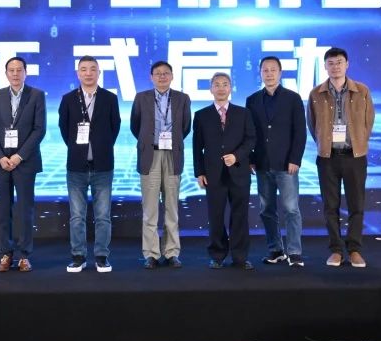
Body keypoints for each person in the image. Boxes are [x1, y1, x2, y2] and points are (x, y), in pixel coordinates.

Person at [307, 47, 375, 268]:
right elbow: (312, 124)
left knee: (356, 205)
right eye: (331, 63)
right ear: (325, 66)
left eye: (339, 62)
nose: (335, 67)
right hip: (328, 157)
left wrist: (358, 142)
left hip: (355, 156)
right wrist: (324, 144)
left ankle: (354, 250)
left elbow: (368, 122)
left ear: (347, 65)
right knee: (330, 206)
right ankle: (336, 250)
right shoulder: (316, 93)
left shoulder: (362, 91)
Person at [58, 55, 121, 273]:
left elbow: (115, 127)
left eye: (93, 69)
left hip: (103, 165)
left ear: (99, 72)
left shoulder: (109, 98)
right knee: (77, 216)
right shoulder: (68, 99)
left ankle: (102, 256)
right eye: (83, 69)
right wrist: (79, 149)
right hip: (76, 165)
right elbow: (64, 128)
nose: (88, 73)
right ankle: (78, 256)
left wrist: (102, 146)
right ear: (78, 73)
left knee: (103, 216)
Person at [246, 56, 308, 267]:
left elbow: (300, 132)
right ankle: (276, 250)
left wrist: (295, 159)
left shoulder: (293, 98)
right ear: (260, 73)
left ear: (280, 73)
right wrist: (251, 159)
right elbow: (249, 132)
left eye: (273, 70)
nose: (269, 73)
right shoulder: (252, 100)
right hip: (262, 163)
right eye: (265, 70)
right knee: (266, 210)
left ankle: (295, 252)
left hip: (286, 164)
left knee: (291, 209)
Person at [129, 60, 192, 269]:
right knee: (150, 208)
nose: (162, 76)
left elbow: (185, 127)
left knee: (172, 207)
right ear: (151, 77)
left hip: (173, 155)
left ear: (172, 76)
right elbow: (136, 126)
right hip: (150, 155)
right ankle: (151, 254)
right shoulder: (141, 98)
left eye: (166, 73)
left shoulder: (183, 98)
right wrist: (149, 142)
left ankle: (171, 252)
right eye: (158, 73)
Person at [0, 56, 46, 273]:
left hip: (25, 162)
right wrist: (0, 156)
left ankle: (24, 255)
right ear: (6, 73)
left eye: (19, 70)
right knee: (3, 210)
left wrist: (19, 156)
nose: (15, 73)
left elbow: (39, 130)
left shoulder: (36, 95)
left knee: (25, 210)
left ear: (25, 72)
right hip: (1, 162)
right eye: (11, 70)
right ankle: (5, 253)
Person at [192, 72, 256, 269]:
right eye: (217, 84)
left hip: (239, 171)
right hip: (213, 174)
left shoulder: (243, 113)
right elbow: (197, 146)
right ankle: (217, 255)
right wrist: (199, 172)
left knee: (240, 215)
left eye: (225, 84)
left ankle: (240, 256)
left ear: (231, 88)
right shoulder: (201, 115)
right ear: (211, 89)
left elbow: (251, 140)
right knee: (216, 216)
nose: (221, 88)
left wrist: (236, 156)